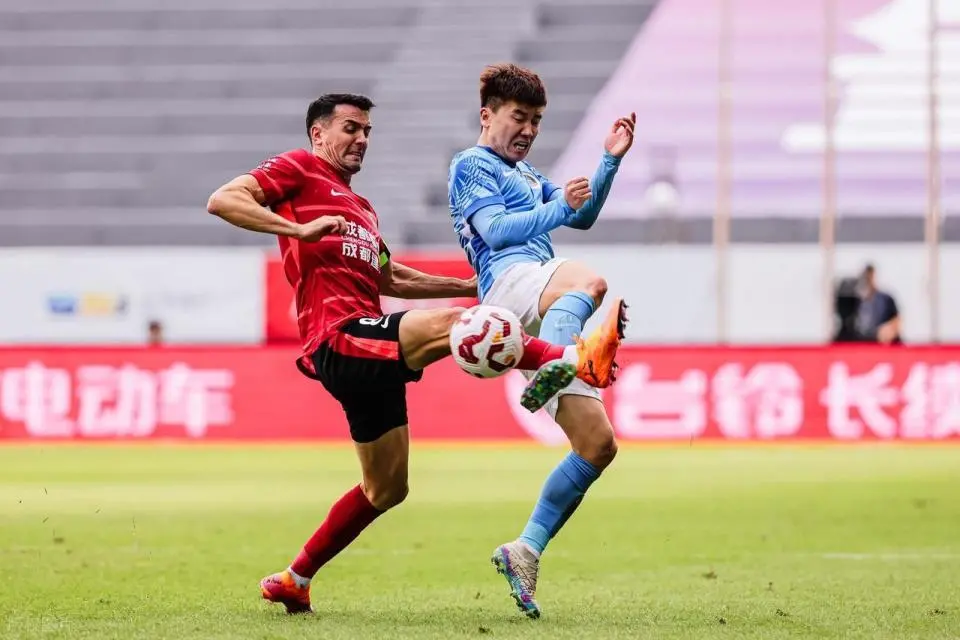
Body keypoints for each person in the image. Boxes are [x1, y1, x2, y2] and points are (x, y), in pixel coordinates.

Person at [206, 93, 625, 614]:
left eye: (367, 131)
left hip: (371, 354)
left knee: (386, 488)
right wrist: (297, 229)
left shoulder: (361, 208)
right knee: (460, 327)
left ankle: (296, 578)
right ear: (318, 134)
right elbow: (224, 199)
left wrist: (470, 284)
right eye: (350, 128)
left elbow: (392, 278)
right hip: (341, 335)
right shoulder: (298, 169)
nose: (361, 139)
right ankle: (569, 358)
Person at [447, 64, 635, 618]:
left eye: (536, 120)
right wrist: (555, 208)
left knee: (597, 445)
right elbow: (495, 231)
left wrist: (609, 161)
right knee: (590, 283)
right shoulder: (472, 164)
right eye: (519, 117)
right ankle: (570, 357)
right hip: (509, 282)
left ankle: (525, 549)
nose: (528, 129)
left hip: (541, 300)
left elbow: (582, 217)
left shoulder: (528, 174)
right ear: (488, 115)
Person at [857, 264, 902, 344]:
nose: (867, 280)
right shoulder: (857, 301)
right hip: (863, 343)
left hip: (883, 343)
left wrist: (888, 330)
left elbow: (897, 320)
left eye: (869, 276)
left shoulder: (885, 299)